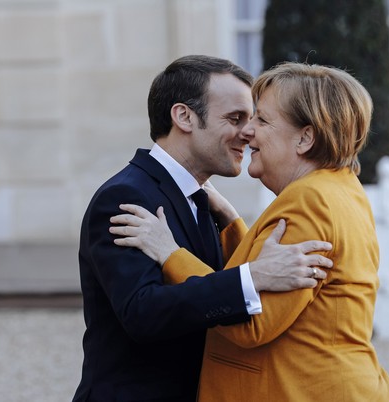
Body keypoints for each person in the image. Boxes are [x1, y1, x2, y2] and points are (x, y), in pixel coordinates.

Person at [110, 62, 389, 401]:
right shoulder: (339, 187)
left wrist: (168, 253)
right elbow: (270, 272)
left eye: (261, 119)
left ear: (305, 138)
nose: (248, 132)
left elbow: (252, 321)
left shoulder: (309, 200)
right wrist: (234, 225)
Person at [72, 55, 334, 402]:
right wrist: (253, 277)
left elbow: (209, 283)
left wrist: (233, 225)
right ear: (184, 117)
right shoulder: (126, 196)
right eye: (235, 118)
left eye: (253, 119)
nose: (250, 132)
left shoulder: (203, 199)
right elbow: (142, 314)